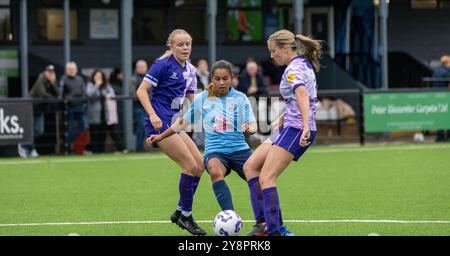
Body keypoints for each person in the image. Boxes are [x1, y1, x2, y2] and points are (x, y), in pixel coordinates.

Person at [149, 60, 295, 236]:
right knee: (214, 169)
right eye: (217, 78)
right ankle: (231, 219)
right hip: (215, 151)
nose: (221, 82)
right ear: (212, 78)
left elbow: (253, 123)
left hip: (240, 150)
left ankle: (273, 224)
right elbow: (181, 122)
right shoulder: (202, 98)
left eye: (225, 78)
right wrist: (160, 136)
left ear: (232, 78)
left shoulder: (241, 98)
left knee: (264, 179)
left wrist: (251, 128)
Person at [243, 29, 322, 236]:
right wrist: (284, 117)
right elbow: (299, 99)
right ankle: (264, 224)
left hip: (297, 129)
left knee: (267, 177)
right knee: (251, 166)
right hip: (290, 125)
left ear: (285, 48)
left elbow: (302, 95)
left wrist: (305, 125)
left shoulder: (293, 69)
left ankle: (275, 231)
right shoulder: (300, 64)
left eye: (273, 51)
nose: (271, 55)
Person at [135, 29, 205, 236]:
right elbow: (141, 90)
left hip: (175, 124)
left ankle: (180, 210)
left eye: (188, 44)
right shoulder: (162, 65)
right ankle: (186, 216)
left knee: (200, 166)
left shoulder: (191, 70)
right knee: (189, 166)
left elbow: (194, 100)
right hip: (159, 123)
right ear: (171, 46)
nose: (185, 48)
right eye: (180, 44)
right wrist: (152, 114)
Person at [18, 65, 59, 158]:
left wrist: (53, 83)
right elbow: (42, 94)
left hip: (40, 109)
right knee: (31, 131)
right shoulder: (41, 78)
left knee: (39, 130)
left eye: (52, 72)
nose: (50, 74)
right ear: (45, 72)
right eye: (49, 72)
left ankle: (25, 144)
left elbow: (58, 93)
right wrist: (52, 98)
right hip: (30, 107)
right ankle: (29, 148)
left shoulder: (51, 81)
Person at [86, 69, 125, 154]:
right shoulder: (90, 85)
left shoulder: (106, 85)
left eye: (100, 76)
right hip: (94, 114)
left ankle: (101, 150)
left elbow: (111, 93)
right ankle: (93, 150)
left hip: (105, 113)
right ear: (93, 77)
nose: (98, 78)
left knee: (102, 133)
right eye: (96, 76)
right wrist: (96, 85)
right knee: (94, 133)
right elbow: (90, 94)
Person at [60, 61, 88, 154]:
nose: (71, 71)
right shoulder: (63, 79)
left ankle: (68, 140)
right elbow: (61, 94)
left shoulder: (80, 79)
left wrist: (83, 102)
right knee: (68, 128)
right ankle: (67, 147)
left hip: (80, 107)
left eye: (73, 69)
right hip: (69, 108)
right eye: (70, 69)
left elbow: (84, 93)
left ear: (76, 70)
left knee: (83, 127)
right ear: (67, 70)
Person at [130, 59, 149, 152]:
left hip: (150, 108)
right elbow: (133, 94)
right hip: (138, 107)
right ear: (136, 68)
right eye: (140, 67)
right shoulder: (133, 79)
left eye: (143, 67)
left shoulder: (150, 78)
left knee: (146, 128)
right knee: (141, 127)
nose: (142, 69)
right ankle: (139, 148)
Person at [431, 55, 450, 142]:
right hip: (445, 96)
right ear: (447, 63)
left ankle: (440, 136)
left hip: (436, 96)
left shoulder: (436, 70)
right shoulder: (447, 72)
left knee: (439, 116)